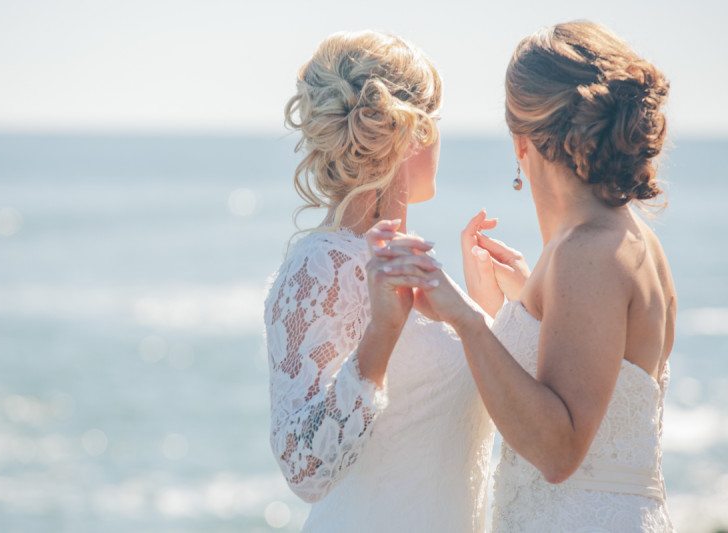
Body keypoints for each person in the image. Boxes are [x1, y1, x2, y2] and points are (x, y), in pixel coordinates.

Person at [379, 20, 675, 532]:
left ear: (522, 142)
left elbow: (558, 451)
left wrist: (465, 318)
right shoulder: (625, 237)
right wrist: (523, 300)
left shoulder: (588, 252)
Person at [263, 30, 494, 532]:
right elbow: (303, 469)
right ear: (414, 132)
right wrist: (380, 336)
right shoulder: (317, 268)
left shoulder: (416, 265)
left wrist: (487, 309)